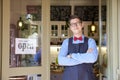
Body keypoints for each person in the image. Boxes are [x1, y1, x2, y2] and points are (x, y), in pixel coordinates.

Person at [58, 15, 98, 80]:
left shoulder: (91, 41)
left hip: (87, 77)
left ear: (82, 24)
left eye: (77, 23)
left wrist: (72, 55)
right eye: (72, 24)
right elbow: (61, 61)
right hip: (69, 77)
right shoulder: (66, 42)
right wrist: (85, 58)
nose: (75, 26)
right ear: (70, 27)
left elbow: (93, 58)